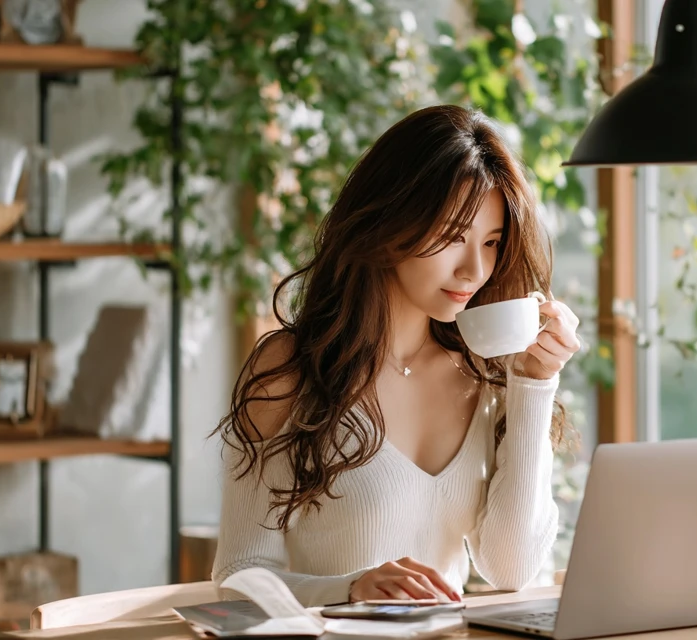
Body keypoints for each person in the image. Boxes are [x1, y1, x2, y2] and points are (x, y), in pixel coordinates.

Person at [210, 105, 582, 608]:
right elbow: (238, 577)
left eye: (491, 242)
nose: (475, 269)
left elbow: (510, 569)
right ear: (389, 222)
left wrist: (536, 382)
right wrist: (352, 589)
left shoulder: (487, 376)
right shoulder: (291, 371)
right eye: (453, 237)